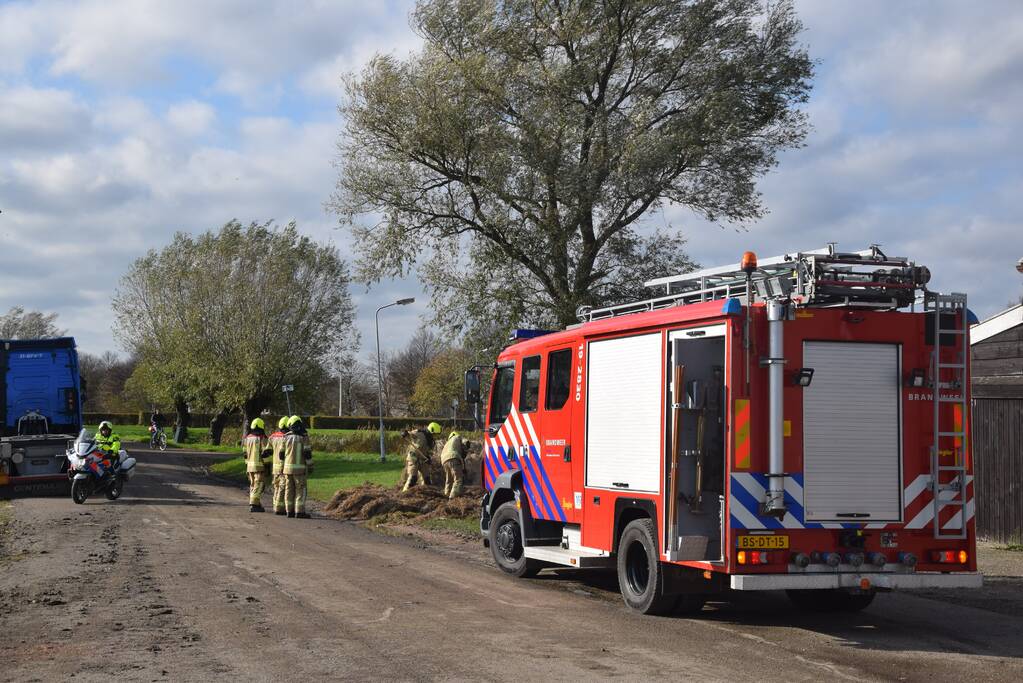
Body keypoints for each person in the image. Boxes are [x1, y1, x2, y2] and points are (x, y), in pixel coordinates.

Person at [282, 415, 313, 518]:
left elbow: (281, 455)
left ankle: (289, 511)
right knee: (300, 489)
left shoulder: (285, 437)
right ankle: (299, 512)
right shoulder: (304, 437)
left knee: (289, 490)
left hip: (287, 469)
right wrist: (310, 466)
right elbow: (307, 454)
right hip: (299, 470)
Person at [401, 422, 440, 492]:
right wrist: (404, 433)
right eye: (435, 434)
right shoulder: (420, 433)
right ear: (431, 432)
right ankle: (405, 493)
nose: (436, 436)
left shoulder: (431, 441)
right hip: (413, 458)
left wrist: (428, 458)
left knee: (427, 480)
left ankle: (424, 494)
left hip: (423, 460)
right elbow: (411, 434)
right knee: (413, 478)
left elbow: (428, 451)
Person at [242, 418, 271, 513]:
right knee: (259, 485)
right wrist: (267, 466)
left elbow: (245, 453)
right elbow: (265, 454)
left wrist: (247, 464)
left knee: (253, 485)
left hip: (249, 466)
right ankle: (254, 504)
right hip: (259, 466)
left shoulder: (247, 438)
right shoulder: (262, 438)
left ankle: (256, 503)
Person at [440, 431, 470, 499]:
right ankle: (453, 498)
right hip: (453, 458)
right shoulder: (457, 437)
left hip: (444, 461)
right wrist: (467, 448)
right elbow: (466, 442)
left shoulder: (447, 443)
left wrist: (463, 467)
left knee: (449, 480)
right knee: (458, 479)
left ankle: (446, 495)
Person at [269, 417, 289, 516]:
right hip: (283, 466)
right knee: (282, 487)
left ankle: (275, 505)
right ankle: (279, 508)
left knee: (276, 487)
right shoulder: (287, 437)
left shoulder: (272, 436)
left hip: (275, 467)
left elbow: (267, 450)